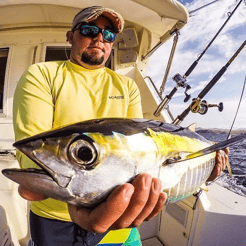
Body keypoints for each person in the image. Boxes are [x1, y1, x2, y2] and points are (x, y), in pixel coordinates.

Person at [13, 6, 228, 246]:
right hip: (54, 220)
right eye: (89, 29)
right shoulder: (42, 74)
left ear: (112, 43)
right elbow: (32, 161)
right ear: (70, 36)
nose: (99, 38)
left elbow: (137, 153)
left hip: (120, 219)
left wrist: (205, 173)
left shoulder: (126, 86)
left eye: (108, 35)